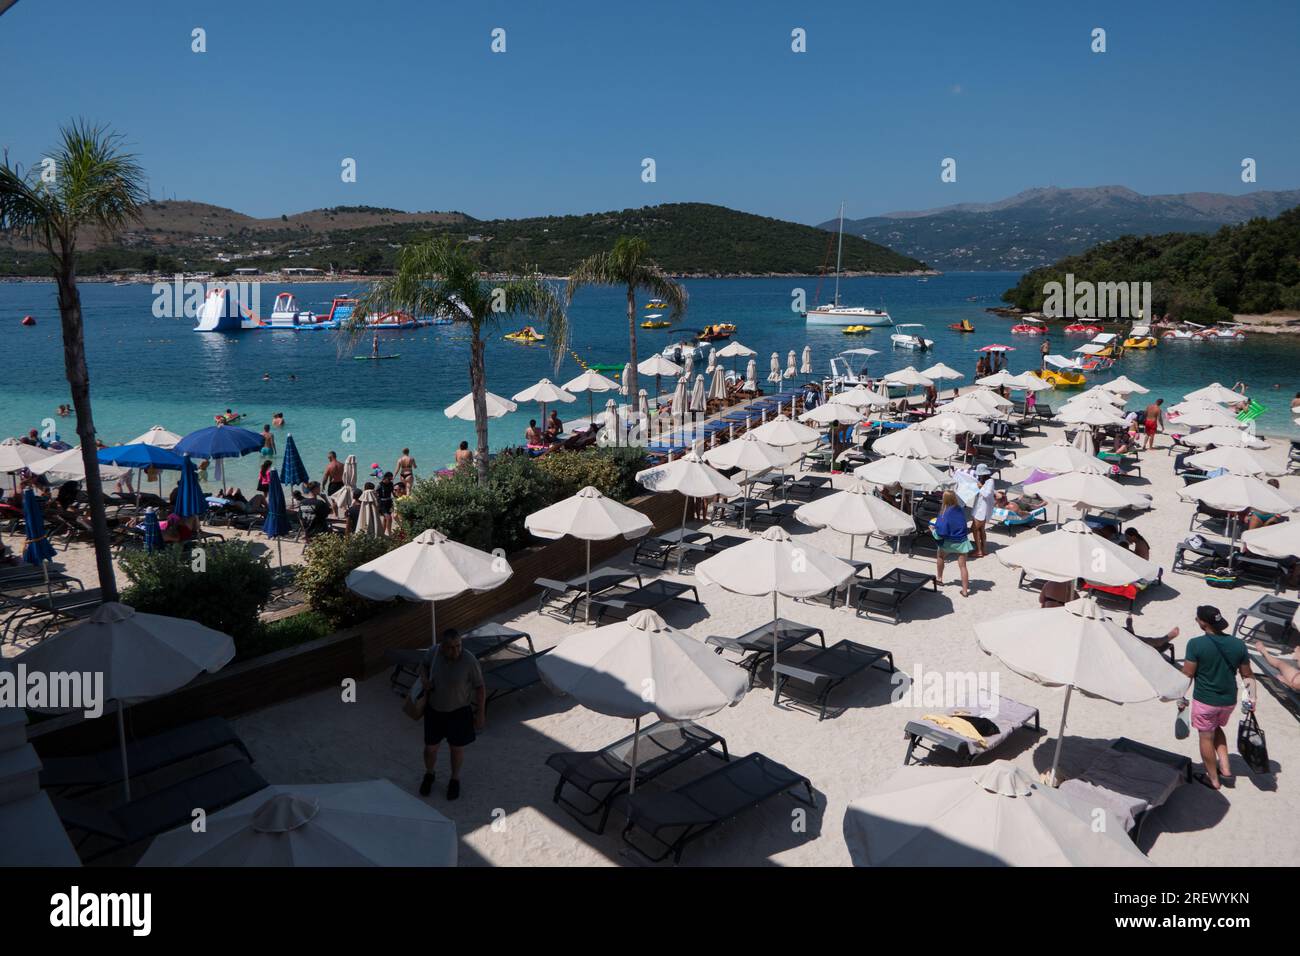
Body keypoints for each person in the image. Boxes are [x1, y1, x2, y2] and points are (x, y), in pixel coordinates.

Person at [1179, 605, 1256, 789]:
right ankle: (1226, 768)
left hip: (1206, 701)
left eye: (1197, 619)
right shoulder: (1238, 645)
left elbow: (1187, 674)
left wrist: (1180, 696)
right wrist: (1251, 699)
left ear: (1204, 623)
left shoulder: (1196, 644)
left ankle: (1213, 779)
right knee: (1217, 728)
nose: (1196, 621)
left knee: (1206, 736)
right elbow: (1248, 675)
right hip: (1228, 701)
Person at [417, 628, 485, 801]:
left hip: (459, 712)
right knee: (430, 749)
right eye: (451, 647)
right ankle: (430, 773)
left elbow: (480, 687)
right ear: (442, 647)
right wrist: (424, 680)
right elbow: (423, 666)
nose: (456, 651)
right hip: (434, 710)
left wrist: (480, 713)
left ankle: (454, 779)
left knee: (456, 749)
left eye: (458, 646)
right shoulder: (434, 653)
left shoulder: (469, 660)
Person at [932, 490, 972, 597]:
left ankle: (939, 578)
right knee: (963, 566)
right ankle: (964, 591)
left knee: (940, 557)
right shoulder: (959, 509)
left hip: (948, 542)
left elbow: (941, 530)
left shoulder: (944, 512)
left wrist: (932, 530)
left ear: (944, 499)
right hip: (961, 541)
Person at [969, 468, 995, 557]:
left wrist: (980, 487)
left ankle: (979, 550)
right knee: (980, 529)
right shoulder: (982, 481)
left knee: (974, 529)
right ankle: (983, 549)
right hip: (978, 509)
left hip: (982, 510)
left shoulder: (990, 481)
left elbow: (987, 494)